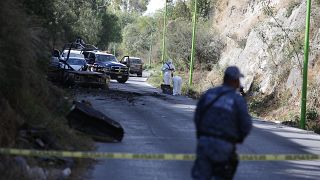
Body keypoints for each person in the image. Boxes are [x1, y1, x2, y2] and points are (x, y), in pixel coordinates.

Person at [192, 66, 252, 180]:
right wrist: (239, 138)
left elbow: (197, 116)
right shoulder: (237, 99)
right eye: (238, 80)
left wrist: (201, 134)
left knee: (201, 176)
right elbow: (246, 125)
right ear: (234, 81)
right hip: (225, 145)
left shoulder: (209, 94)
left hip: (204, 142)